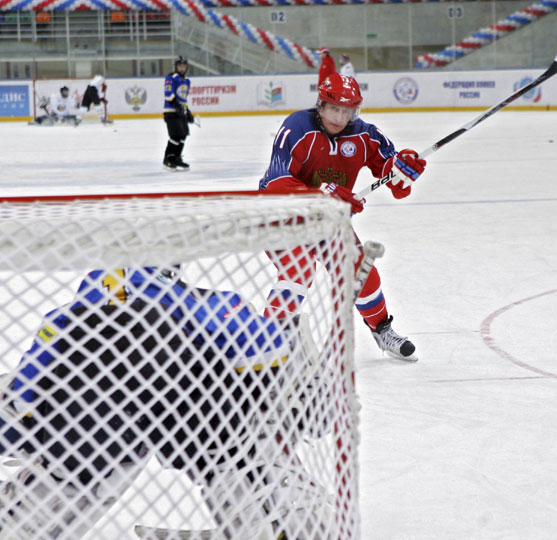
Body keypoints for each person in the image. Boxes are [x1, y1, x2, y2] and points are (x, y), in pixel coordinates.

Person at [0, 266, 329, 538]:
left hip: (83, 430)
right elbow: (268, 347)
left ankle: (25, 517)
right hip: (151, 424)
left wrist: (23, 407)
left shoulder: (83, 309)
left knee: (88, 460)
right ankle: (266, 519)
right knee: (232, 438)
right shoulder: (202, 306)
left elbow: (41, 354)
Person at [258, 73, 427, 363]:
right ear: (320, 105)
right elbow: (276, 182)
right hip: (281, 213)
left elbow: (397, 185)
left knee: (360, 270)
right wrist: (325, 192)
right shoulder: (296, 127)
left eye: (347, 110)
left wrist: (405, 169)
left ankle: (382, 330)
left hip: (327, 220)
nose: (340, 116)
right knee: (298, 269)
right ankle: (267, 339)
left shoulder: (365, 135)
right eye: (334, 108)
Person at [163, 56, 195, 172]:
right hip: (170, 112)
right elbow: (168, 94)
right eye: (180, 66)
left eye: (184, 66)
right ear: (176, 67)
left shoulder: (187, 81)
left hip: (181, 112)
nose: (182, 68)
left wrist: (187, 112)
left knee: (183, 135)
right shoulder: (171, 77)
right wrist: (178, 107)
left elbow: (183, 99)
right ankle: (168, 159)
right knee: (175, 135)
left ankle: (177, 158)